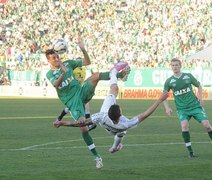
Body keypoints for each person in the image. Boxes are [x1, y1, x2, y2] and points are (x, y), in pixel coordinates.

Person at [45, 37, 130, 169]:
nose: (57, 59)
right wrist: (63, 73)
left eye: (57, 57)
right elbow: (56, 85)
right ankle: (97, 157)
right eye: (53, 58)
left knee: (95, 75)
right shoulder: (50, 73)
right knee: (82, 126)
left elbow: (87, 61)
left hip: (82, 92)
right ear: (48, 60)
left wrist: (83, 49)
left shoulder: (68, 63)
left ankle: (120, 76)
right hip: (73, 103)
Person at [53, 68, 169, 153]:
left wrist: (62, 123)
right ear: (120, 115)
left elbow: (80, 123)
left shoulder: (102, 115)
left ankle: (113, 73)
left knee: (113, 89)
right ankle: (114, 147)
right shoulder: (125, 124)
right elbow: (145, 114)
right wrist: (159, 101)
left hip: (106, 124)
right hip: (117, 129)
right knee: (121, 133)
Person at [163, 58, 212, 158]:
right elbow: (164, 95)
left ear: (180, 66)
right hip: (182, 109)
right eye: (173, 65)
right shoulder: (169, 81)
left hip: (195, 106)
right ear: (171, 67)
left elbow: (199, 86)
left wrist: (200, 98)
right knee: (184, 126)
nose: (175, 67)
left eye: (176, 65)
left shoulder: (187, 76)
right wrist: (167, 108)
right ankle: (190, 152)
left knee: (207, 125)